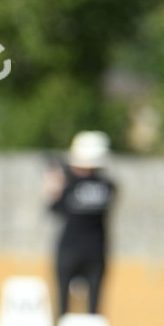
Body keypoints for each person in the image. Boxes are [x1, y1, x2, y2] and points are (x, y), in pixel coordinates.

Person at [45, 131, 117, 316]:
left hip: (69, 250)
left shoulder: (69, 186)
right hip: (97, 251)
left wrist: (55, 185)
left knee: (63, 307)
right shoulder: (109, 186)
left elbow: (54, 209)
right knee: (94, 310)